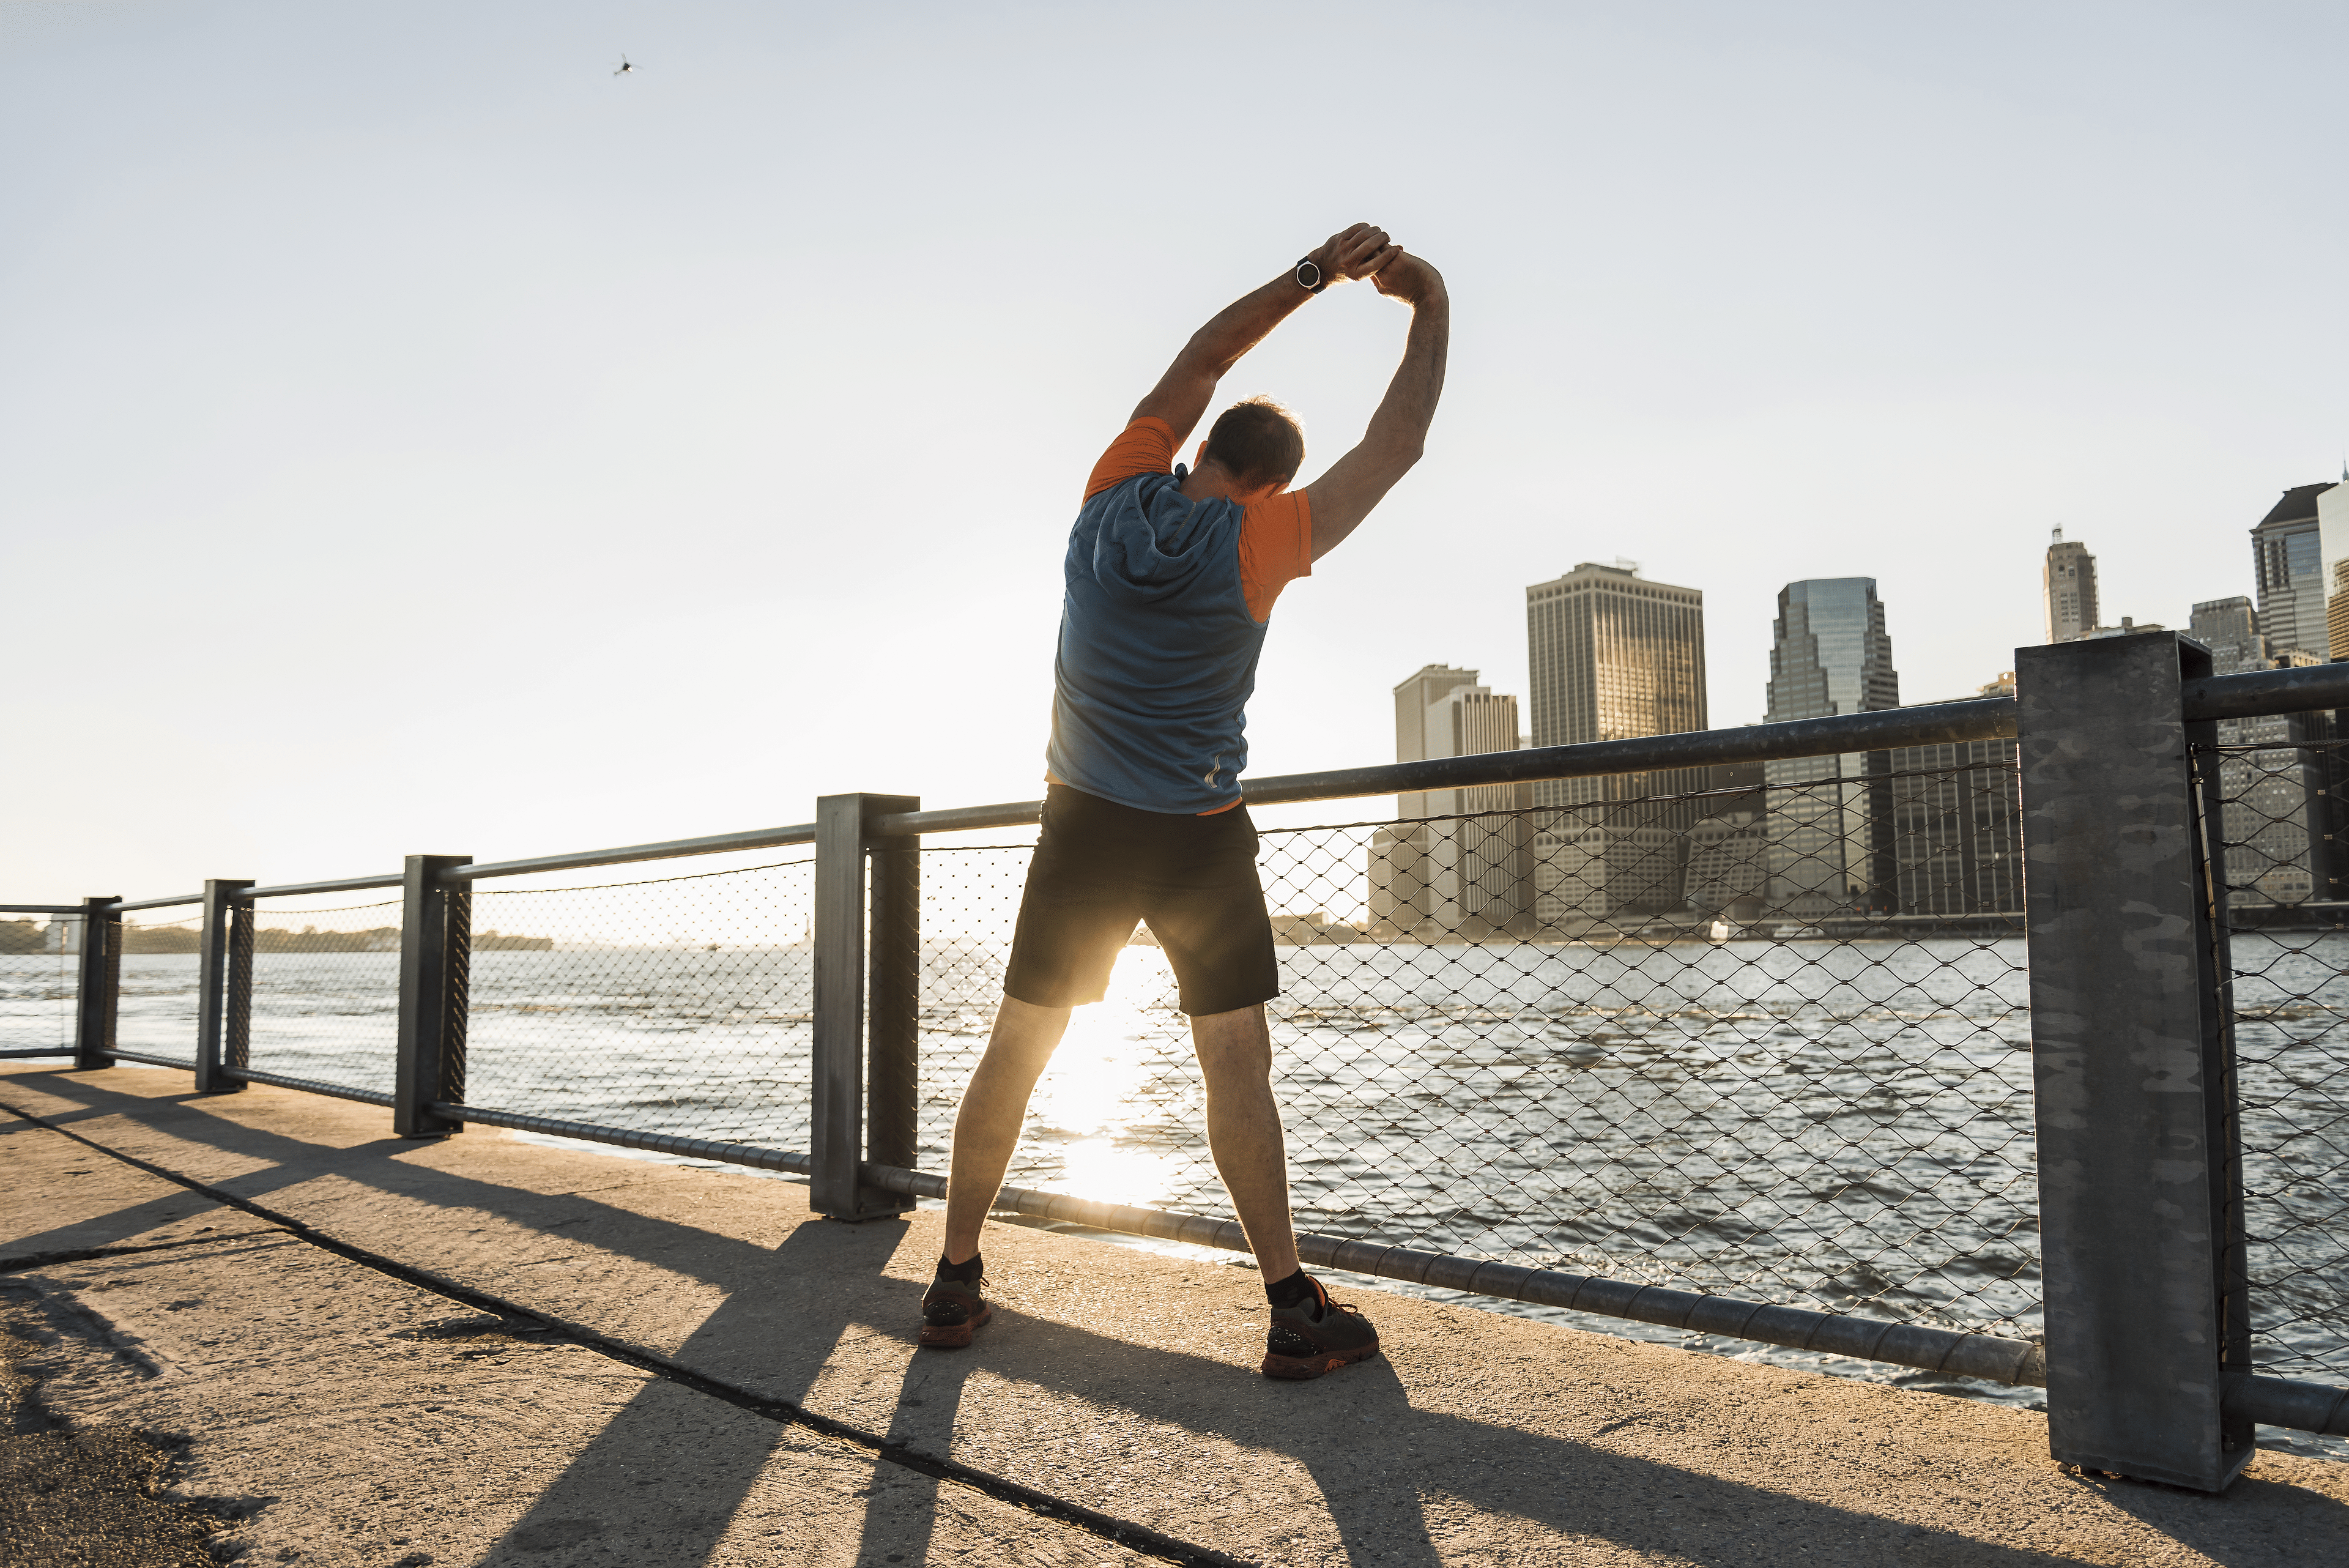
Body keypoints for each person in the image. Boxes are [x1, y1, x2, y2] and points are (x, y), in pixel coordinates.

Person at [922, 223, 1449, 1380]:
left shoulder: (1109, 492)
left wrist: (1312, 276)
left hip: (1082, 825)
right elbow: (1398, 443)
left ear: (1204, 444)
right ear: (1276, 480)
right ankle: (1289, 1306)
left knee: (1018, 1047)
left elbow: (1207, 352)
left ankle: (955, 1279)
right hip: (1200, 840)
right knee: (1234, 1067)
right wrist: (1426, 298)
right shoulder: (1268, 538)